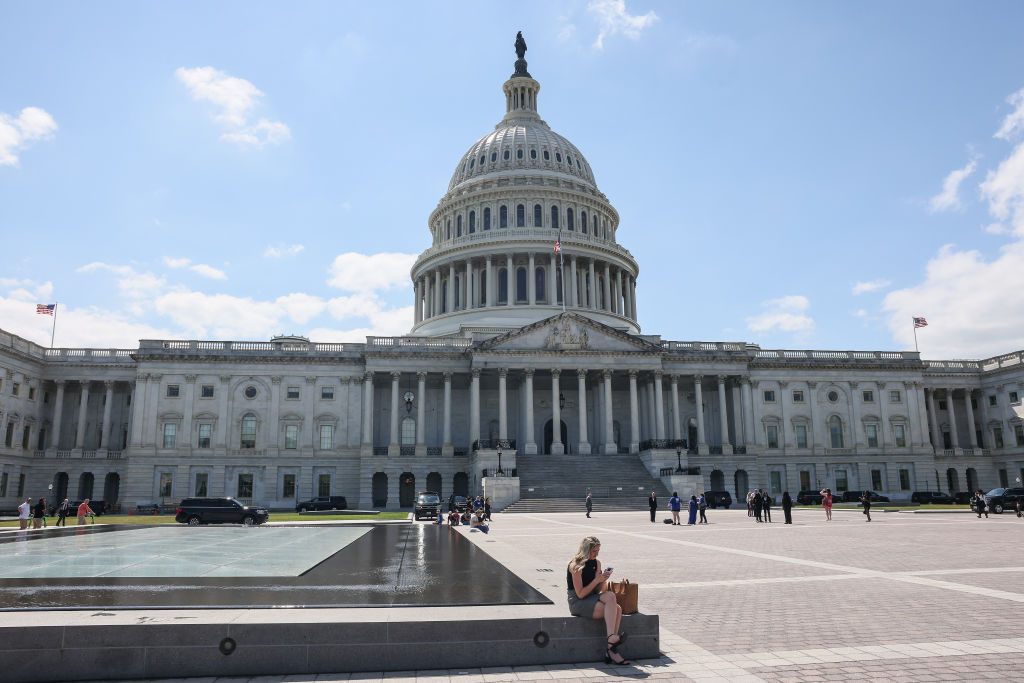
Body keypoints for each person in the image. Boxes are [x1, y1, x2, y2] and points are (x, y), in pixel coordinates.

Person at [566, 536, 629, 666]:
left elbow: (598, 590)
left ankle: (611, 643)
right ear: (585, 550)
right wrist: (596, 580)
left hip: (591, 597)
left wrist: (603, 579)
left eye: (598, 550)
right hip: (577, 602)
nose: (596, 554)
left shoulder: (597, 563)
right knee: (615, 609)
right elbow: (581, 594)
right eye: (594, 551)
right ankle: (612, 647)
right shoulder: (575, 566)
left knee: (616, 605)